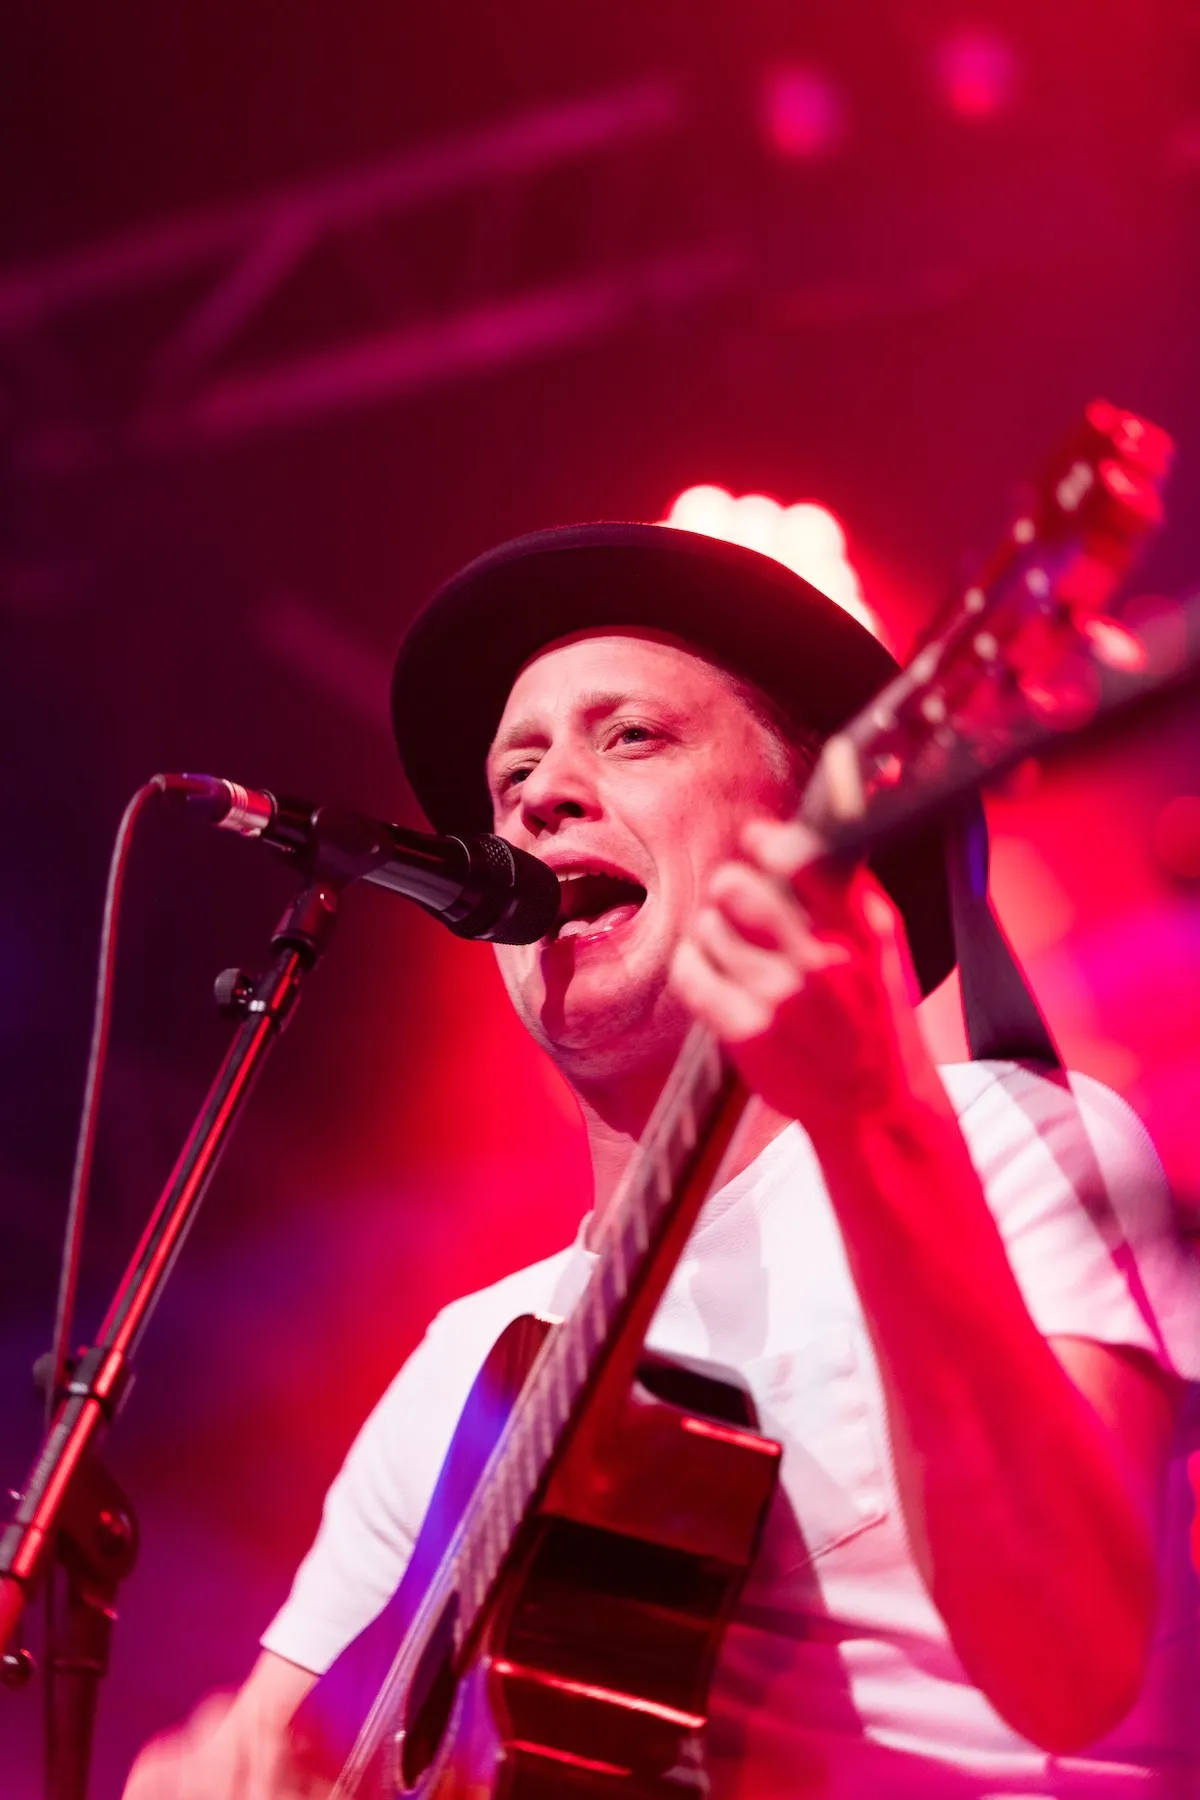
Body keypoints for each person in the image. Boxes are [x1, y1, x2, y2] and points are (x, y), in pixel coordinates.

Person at [123, 524, 1199, 1799]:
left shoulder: (1000, 1139)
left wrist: (873, 1124)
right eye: (513, 773)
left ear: (810, 825)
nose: (541, 795)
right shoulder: (469, 1368)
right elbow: (288, 1748)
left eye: (630, 736)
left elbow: (1072, 1664)